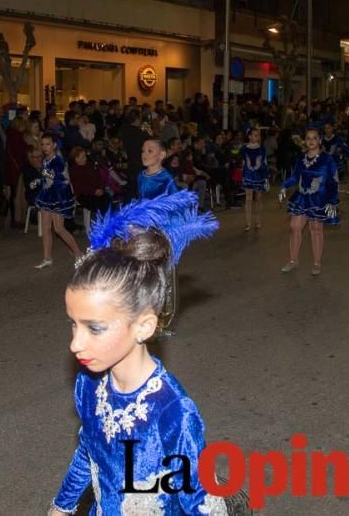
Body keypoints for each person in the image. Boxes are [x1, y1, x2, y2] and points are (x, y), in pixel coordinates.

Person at [51, 191, 224, 515]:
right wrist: (61, 507)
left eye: (94, 327)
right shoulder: (88, 385)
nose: (75, 343)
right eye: (73, 324)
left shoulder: (173, 413)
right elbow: (89, 450)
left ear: (143, 326)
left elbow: (202, 507)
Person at [278, 127, 339, 275]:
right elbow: (294, 176)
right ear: (305, 141)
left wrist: (332, 200)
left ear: (320, 140)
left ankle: (317, 263)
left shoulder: (327, 159)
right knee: (294, 227)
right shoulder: (301, 158)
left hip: (319, 199)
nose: (311, 141)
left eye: (314, 138)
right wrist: (283, 186)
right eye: (308, 138)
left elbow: (333, 181)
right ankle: (293, 260)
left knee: (316, 229)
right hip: (302, 197)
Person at [34, 133, 82, 269]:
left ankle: (78, 253)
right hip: (47, 195)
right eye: (42, 144)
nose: (44, 147)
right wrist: (38, 180)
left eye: (47, 144)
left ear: (54, 145)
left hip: (58, 196)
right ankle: (47, 258)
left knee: (59, 229)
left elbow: (60, 179)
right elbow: (47, 178)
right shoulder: (45, 160)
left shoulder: (59, 160)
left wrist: (44, 173)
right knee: (46, 228)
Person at [68, 146, 111, 217]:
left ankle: (108, 221)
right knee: (99, 204)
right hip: (84, 194)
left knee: (107, 199)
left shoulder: (90, 165)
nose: (85, 158)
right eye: (83, 157)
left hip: (97, 191)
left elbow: (99, 178)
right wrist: (94, 191)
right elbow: (80, 186)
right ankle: (103, 223)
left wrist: (101, 188)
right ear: (76, 159)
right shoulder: (73, 170)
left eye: (85, 156)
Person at [241, 126, 269, 231]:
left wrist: (266, 177)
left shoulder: (262, 148)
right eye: (254, 135)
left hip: (260, 174)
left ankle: (257, 220)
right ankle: (248, 222)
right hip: (248, 174)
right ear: (249, 136)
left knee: (258, 198)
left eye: (258, 135)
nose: (257, 137)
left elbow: (264, 161)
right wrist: (243, 176)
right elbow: (243, 162)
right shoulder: (244, 148)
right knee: (248, 198)